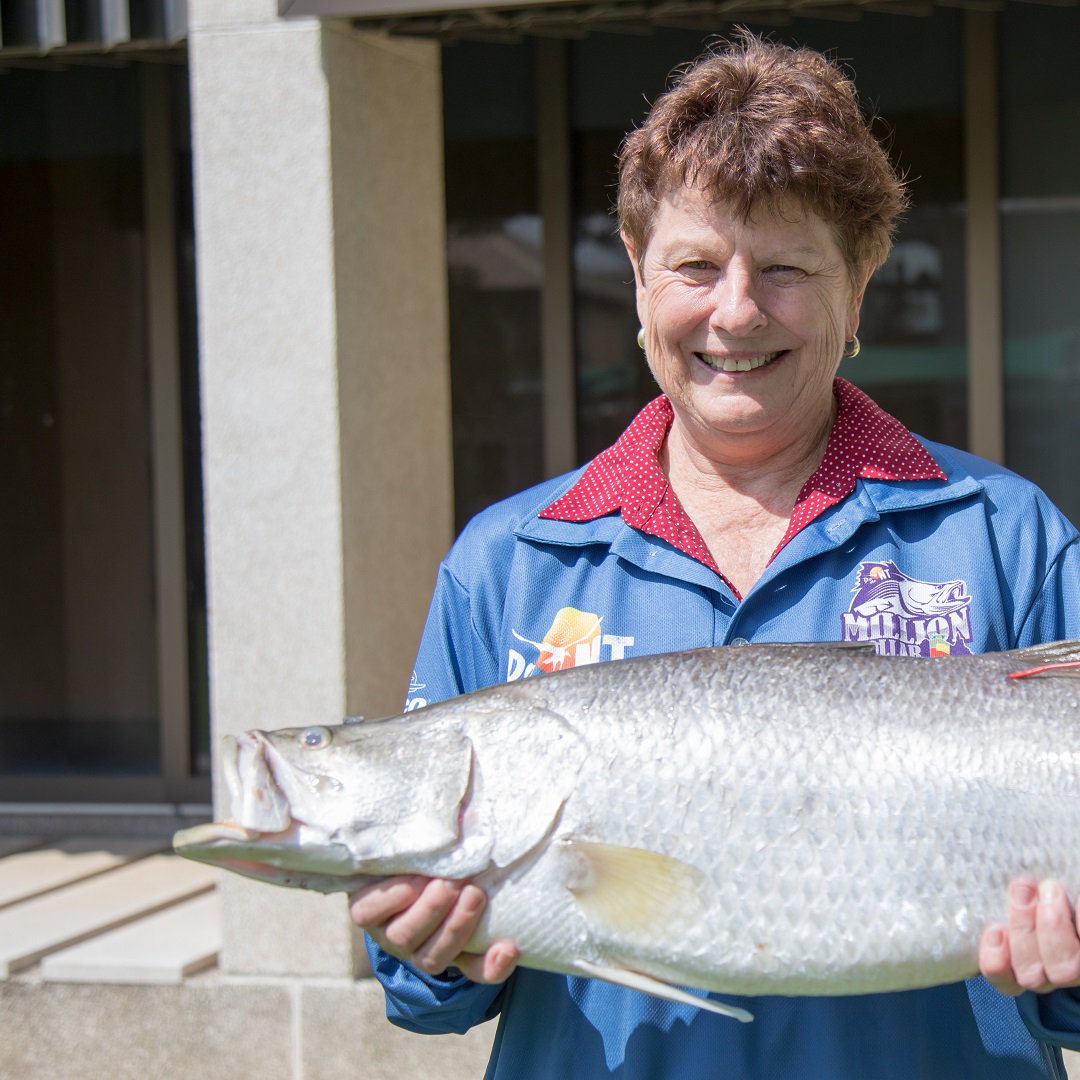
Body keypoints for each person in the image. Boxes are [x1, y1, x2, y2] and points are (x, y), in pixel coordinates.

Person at [351, 31, 1080, 1079]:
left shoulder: (1007, 539)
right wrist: (429, 949)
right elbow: (425, 997)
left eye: (785, 268)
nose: (735, 311)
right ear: (641, 278)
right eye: (696, 265)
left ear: (859, 284)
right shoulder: (508, 561)